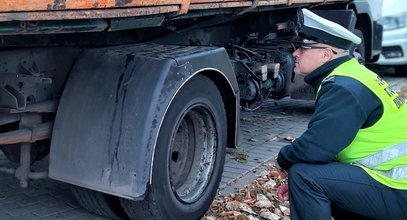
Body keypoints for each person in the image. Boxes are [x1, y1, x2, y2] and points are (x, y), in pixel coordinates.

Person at [275, 8, 407, 220]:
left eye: (303, 48)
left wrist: (283, 158)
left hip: (398, 187)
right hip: (395, 183)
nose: (295, 53)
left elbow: (315, 148)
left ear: (326, 54)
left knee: (304, 176)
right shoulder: (353, 75)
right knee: (316, 180)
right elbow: (329, 145)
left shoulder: (343, 87)